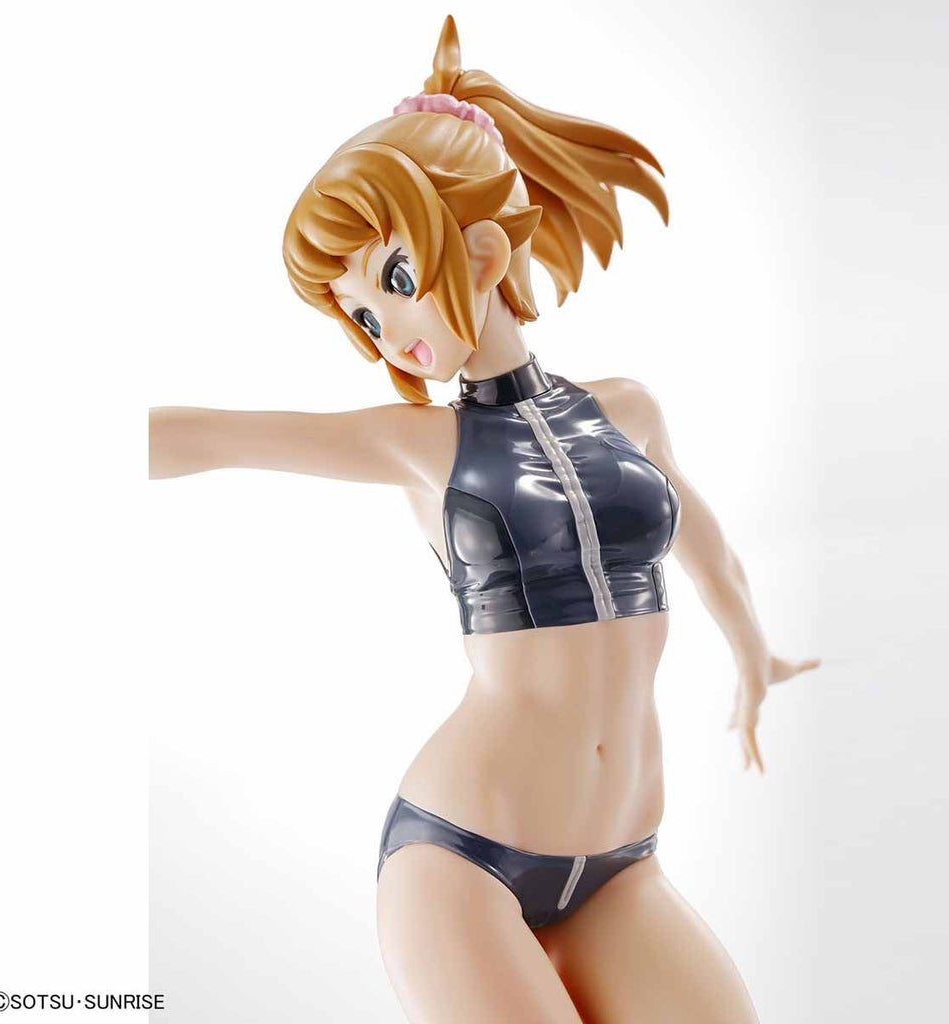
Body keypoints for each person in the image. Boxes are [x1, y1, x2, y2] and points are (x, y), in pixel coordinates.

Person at [149, 15, 819, 1022]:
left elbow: (709, 548)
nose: (388, 332)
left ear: (485, 245)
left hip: (621, 867)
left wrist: (754, 656)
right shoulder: (417, 444)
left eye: (394, 280)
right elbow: (202, 438)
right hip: (460, 862)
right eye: (363, 316)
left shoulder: (628, 410)